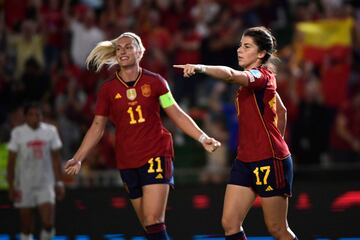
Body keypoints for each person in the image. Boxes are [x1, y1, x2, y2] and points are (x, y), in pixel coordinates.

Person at [64, 32, 221, 240]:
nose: (123, 51)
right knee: (149, 227)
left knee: (154, 220)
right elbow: (97, 125)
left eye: (128, 47)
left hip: (156, 154)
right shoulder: (108, 90)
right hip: (127, 160)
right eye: (119, 48)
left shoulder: (156, 82)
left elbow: (175, 112)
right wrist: (78, 157)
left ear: (140, 51)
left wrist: (202, 138)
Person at [174, 26, 298, 240]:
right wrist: (272, 137)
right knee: (230, 224)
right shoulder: (255, 83)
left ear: (261, 54)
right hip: (245, 159)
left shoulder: (261, 76)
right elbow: (281, 111)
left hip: (269, 159)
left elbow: (230, 75)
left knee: (277, 228)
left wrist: (200, 67)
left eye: (247, 46)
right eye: (240, 45)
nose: (239, 50)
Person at [6, 103, 65, 240]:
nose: (35, 118)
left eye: (38, 114)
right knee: (26, 228)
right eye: (32, 115)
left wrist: (60, 182)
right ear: (26, 117)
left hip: (46, 183)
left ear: (42, 116)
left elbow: (56, 159)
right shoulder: (17, 133)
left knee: (48, 223)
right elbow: (11, 162)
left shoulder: (51, 131)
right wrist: (11, 186)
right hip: (24, 185)